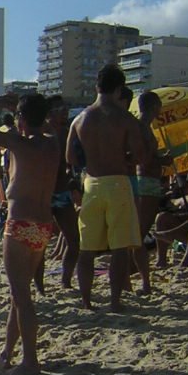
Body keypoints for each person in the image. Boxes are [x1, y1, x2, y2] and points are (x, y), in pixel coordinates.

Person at [0, 94, 59, 375]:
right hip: (43, 224)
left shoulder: (18, 143)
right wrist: (26, 115)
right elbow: (44, 126)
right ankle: (7, 353)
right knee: (18, 293)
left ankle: (30, 361)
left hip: (20, 222)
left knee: (20, 295)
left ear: (21, 119)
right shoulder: (53, 143)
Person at [67, 64, 144, 311]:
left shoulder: (80, 119)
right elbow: (141, 155)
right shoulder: (124, 118)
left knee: (87, 248)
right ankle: (114, 301)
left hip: (91, 182)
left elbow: (70, 157)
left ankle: (87, 300)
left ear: (96, 86)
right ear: (119, 88)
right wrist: (127, 159)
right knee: (120, 247)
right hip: (118, 182)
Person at [131, 91, 168, 296]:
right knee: (138, 234)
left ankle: (141, 280)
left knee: (138, 234)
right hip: (146, 182)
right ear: (154, 106)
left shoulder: (142, 127)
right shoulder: (142, 127)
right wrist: (161, 161)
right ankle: (144, 282)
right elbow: (143, 159)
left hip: (147, 182)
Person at [46, 96, 79, 289]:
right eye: (60, 109)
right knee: (39, 243)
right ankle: (40, 285)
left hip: (62, 191)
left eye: (66, 108)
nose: (65, 112)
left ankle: (66, 281)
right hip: (43, 194)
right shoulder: (40, 134)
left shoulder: (68, 133)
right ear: (49, 112)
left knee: (73, 240)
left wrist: (73, 182)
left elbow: (72, 164)